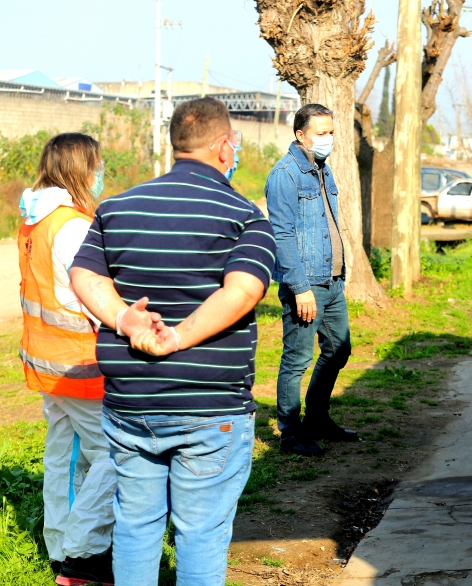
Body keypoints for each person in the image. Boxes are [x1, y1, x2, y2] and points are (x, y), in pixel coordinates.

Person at [69, 97, 276, 586]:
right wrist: (178, 337)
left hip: (131, 403)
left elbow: (82, 274)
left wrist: (125, 320)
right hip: (210, 407)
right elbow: (243, 291)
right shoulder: (245, 216)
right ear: (226, 147)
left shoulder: (115, 208)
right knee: (201, 532)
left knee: (136, 526)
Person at [17, 133, 117, 585]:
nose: (100, 174)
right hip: (78, 364)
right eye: (96, 166)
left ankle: (60, 547)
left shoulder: (33, 219)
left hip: (44, 361)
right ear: (80, 169)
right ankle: (82, 554)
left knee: (63, 455)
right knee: (114, 453)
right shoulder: (72, 225)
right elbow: (90, 297)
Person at [265, 103, 357, 457]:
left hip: (333, 282)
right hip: (306, 285)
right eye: (321, 133)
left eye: (331, 132)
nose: (328, 139)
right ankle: (290, 433)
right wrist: (300, 288)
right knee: (296, 359)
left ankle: (317, 419)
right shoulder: (284, 174)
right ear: (301, 135)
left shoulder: (324, 170)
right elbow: (282, 235)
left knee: (339, 349)